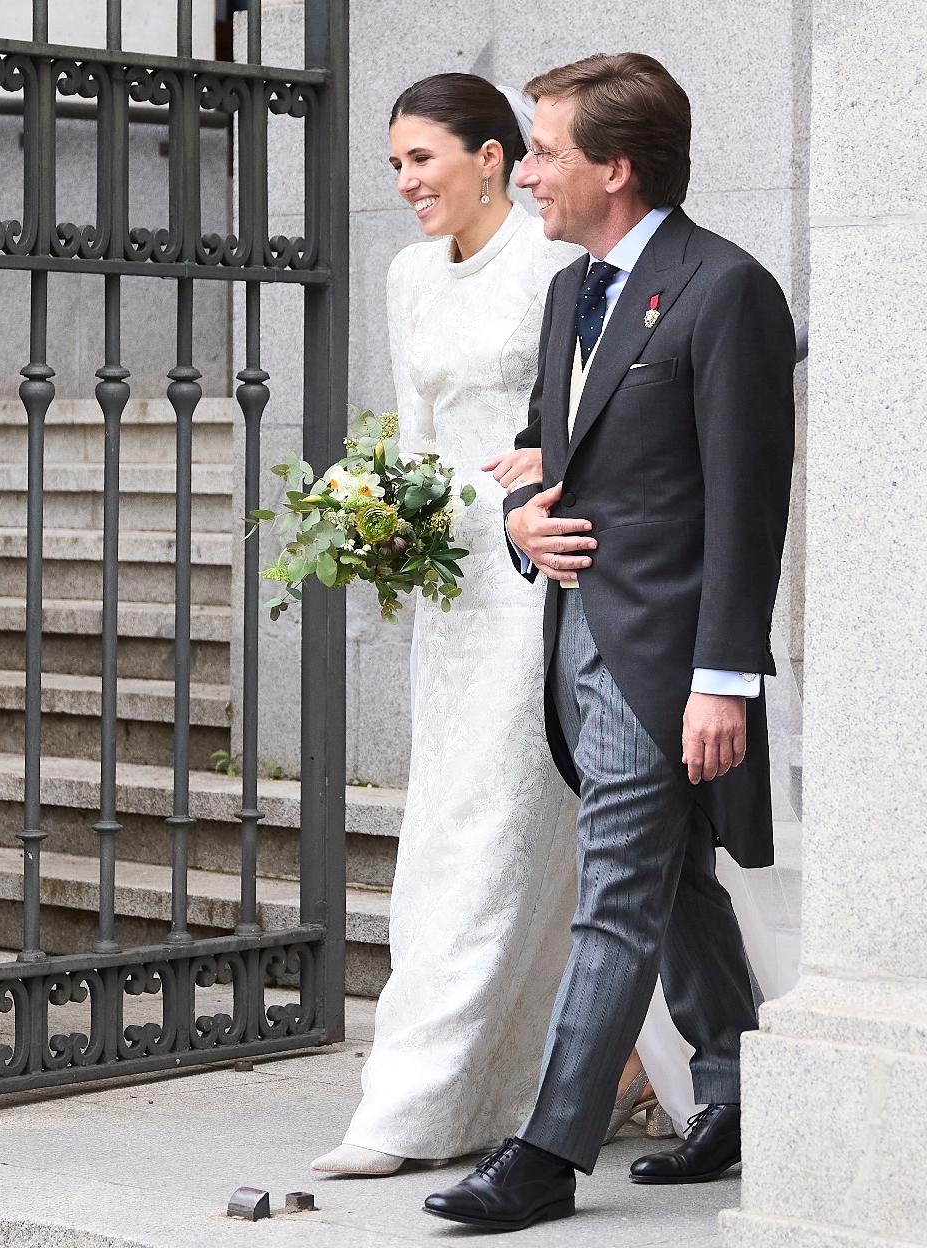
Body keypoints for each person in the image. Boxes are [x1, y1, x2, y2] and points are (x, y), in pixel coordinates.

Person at [423, 53, 796, 1231]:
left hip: (668, 656)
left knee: (615, 895)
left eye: (544, 152)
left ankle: (545, 1155)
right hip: (578, 640)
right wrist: (519, 519)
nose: (526, 172)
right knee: (672, 880)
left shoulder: (727, 291)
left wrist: (722, 681)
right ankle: (735, 1092)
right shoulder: (571, 293)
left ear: (617, 168)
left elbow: (747, 505)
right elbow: (548, 452)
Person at [311, 72, 660, 1179]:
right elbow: (414, 433)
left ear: (494, 157)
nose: (407, 182)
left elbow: (596, 425)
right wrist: (376, 512)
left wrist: (541, 488)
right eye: (396, 164)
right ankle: (574, 1077)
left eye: (423, 158)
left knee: (496, 840)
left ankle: (413, 1107)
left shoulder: (555, 264)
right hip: (451, 597)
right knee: (445, 837)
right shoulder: (407, 275)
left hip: (539, 583)